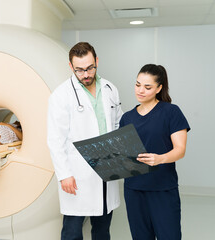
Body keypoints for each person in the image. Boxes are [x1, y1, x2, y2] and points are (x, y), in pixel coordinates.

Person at [47, 42, 123, 240]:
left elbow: (118, 125)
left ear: (96, 62)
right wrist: (64, 174)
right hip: (78, 172)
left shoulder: (110, 89)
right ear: (71, 67)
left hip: (108, 166)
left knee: (102, 229)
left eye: (90, 68)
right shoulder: (61, 95)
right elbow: (56, 139)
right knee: (72, 231)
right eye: (79, 70)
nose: (86, 74)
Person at [119, 64, 190, 240]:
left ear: (159, 88)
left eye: (147, 87)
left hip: (163, 189)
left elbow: (180, 150)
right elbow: (123, 155)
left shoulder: (171, 112)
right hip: (134, 190)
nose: (140, 90)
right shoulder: (126, 118)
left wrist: (160, 159)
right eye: (137, 85)